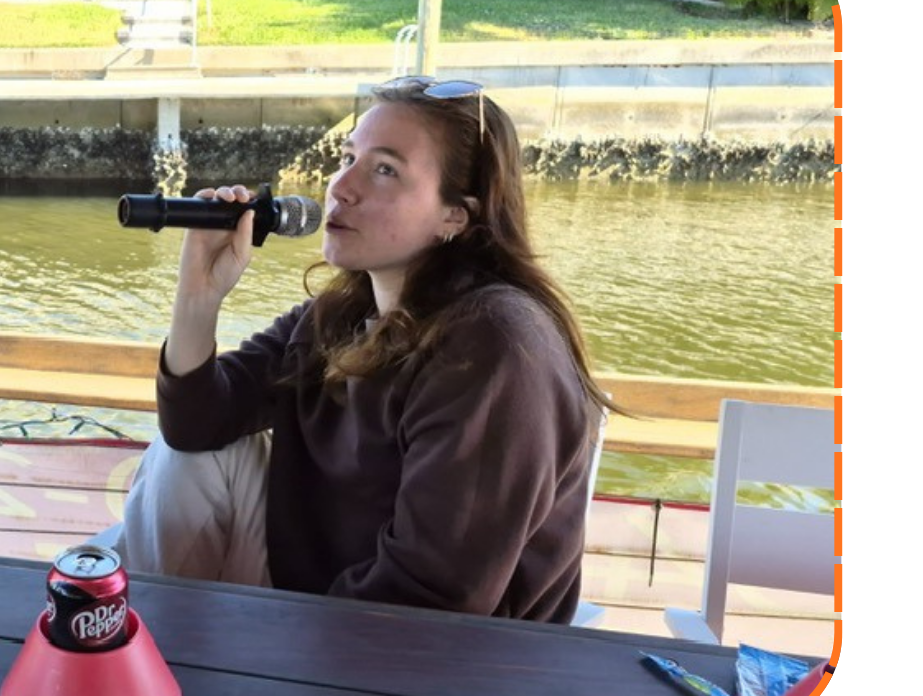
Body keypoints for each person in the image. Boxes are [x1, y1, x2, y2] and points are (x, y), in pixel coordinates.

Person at [115, 77, 613, 623]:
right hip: (327, 601)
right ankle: (166, 654)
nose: (341, 186)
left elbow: (433, 594)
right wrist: (198, 295)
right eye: (348, 156)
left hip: (447, 663)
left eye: (385, 169)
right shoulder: (343, 313)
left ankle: (185, 662)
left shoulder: (496, 344)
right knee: (187, 456)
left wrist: (278, 641)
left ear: (456, 215)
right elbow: (195, 424)